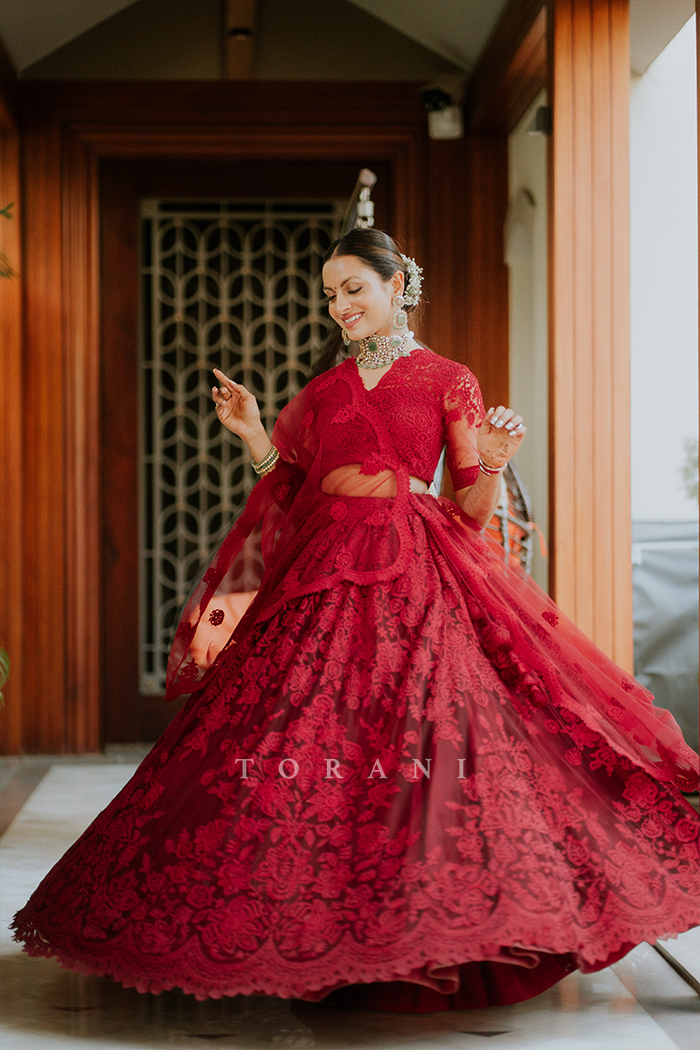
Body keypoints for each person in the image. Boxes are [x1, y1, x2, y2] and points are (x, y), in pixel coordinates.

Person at [11, 229, 699, 1013]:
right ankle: (305, 931)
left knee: (420, 745)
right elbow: (300, 497)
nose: (340, 307)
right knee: (287, 740)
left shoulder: (448, 379)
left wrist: (497, 463)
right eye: (330, 294)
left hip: (413, 572)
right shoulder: (328, 390)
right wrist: (255, 440)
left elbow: (472, 513)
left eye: (353, 289)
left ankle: (422, 933)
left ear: (396, 281)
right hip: (321, 575)